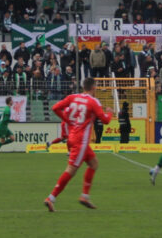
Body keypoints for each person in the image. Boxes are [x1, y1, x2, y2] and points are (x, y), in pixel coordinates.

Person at [44, 76, 113, 211]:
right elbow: (105, 120)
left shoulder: (73, 97)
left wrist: (68, 121)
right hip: (81, 141)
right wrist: (109, 113)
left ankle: (85, 196)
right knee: (71, 170)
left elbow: (55, 108)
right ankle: (51, 198)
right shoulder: (93, 101)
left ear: (83, 87)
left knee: (94, 164)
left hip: (74, 137)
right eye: (96, 87)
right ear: (93, 88)